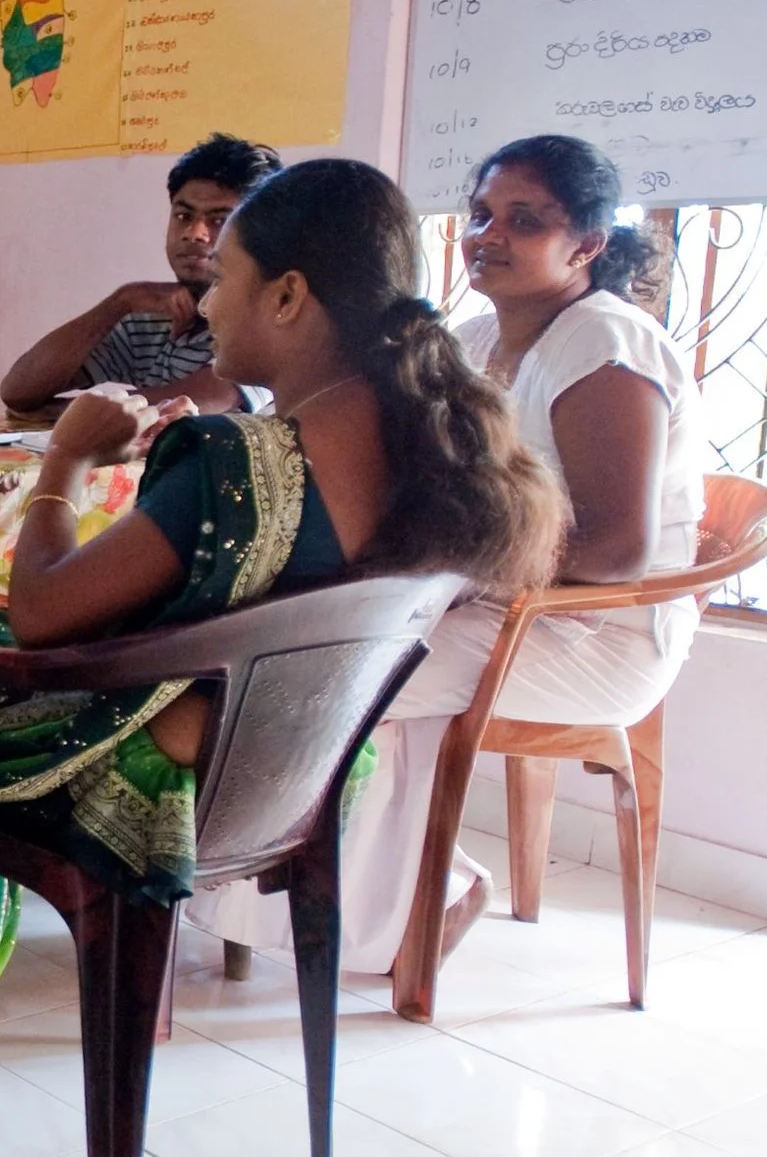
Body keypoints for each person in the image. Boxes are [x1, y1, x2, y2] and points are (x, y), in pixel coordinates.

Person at [0, 160, 561, 1127]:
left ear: (289, 296)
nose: (207, 303)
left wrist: (69, 460)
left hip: (164, 767)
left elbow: (43, 614)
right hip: (309, 762)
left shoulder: (230, 460)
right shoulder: (442, 449)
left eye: (227, 279)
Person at [194, 135, 704, 973]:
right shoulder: (471, 336)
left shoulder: (606, 345)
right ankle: (297, 904)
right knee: (291, 640)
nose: (486, 235)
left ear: (587, 245)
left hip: (590, 632)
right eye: (480, 214)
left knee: (335, 675)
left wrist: (450, 576)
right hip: (497, 607)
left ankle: (432, 892)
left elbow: (615, 549)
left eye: (523, 219)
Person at [0, 133, 283, 415]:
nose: (194, 234)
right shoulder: (152, 321)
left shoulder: (269, 320)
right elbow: (19, 391)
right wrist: (121, 301)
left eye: (219, 220)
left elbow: (203, 399)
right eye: (184, 216)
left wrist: (66, 414)